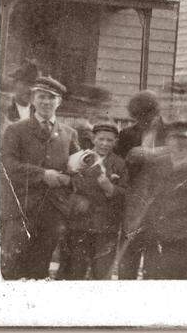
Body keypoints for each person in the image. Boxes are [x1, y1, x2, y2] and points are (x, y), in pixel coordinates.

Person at [1, 76, 80, 279]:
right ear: (33, 99)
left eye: (51, 97)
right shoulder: (15, 130)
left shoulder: (69, 134)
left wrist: (67, 179)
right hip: (21, 211)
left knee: (39, 269)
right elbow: (7, 166)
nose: (46, 102)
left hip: (52, 213)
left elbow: (77, 170)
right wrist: (42, 174)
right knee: (12, 269)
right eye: (41, 96)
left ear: (59, 102)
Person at [134, 121, 187, 279]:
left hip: (180, 234)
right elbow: (147, 195)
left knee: (175, 274)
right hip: (156, 231)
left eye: (184, 139)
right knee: (152, 274)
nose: (179, 142)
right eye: (174, 138)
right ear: (167, 141)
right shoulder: (157, 163)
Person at [60, 119, 127, 280]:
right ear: (93, 138)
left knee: (102, 272)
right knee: (74, 271)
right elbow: (66, 186)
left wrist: (109, 187)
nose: (104, 143)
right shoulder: (79, 158)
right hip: (79, 225)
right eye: (101, 139)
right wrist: (77, 197)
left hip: (105, 228)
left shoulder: (119, 163)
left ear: (115, 142)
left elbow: (125, 193)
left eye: (109, 140)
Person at [115, 89, 166, 280]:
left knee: (155, 263)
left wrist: (153, 153)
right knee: (128, 256)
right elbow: (118, 165)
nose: (143, 122)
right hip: (134, 202)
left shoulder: (170, 132)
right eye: (138, 118)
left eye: (147, 117)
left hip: (161, 202)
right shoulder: (127, 134)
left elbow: (182, 152)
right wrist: (129, 158)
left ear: (156, 112)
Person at [1, 59, 39, 129]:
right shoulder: (3, 111)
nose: (30, 89)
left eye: (33, 85)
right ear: (14, 84)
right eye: (25, 84)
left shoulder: (38, 113)